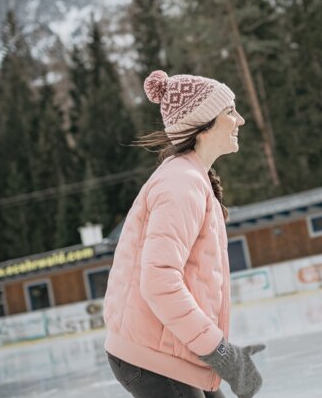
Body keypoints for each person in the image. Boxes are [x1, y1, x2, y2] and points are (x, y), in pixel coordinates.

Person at [103, 70, 266, 398]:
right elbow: (159, 282)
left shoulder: (191, 177)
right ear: (204, 126)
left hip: (171, 350)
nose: (241, 120)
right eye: (230, 112)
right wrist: (221, 353)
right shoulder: (180, 184)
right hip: (152, 358)